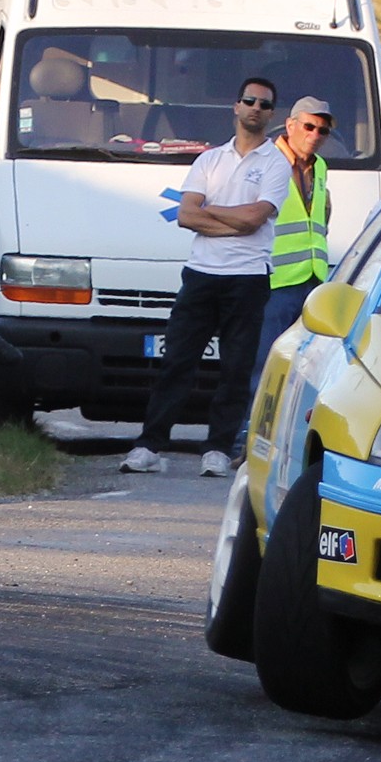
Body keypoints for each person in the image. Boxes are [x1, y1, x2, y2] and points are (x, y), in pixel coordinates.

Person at [121, 77, 291, 477]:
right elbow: (186, 214)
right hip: (200, 275)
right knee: (177, 361)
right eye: (248, 100)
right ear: (236, 107)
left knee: (234, 368)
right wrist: (233, 219)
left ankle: (216, 449)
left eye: (264, 105)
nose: (255, 108)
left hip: (247, 277)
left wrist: (212, 214)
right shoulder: (208, 160)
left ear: (271, 115)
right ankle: (149, 445)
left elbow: (255, 218)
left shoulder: (275, 164)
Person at [235, 97, 335, 459]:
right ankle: (244, 440)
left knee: (301, 369)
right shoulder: (266, 161)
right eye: (309, 126)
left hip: (311, 281)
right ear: (290, 125)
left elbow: (321, 214)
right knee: (262, 364)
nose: (316, 135)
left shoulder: (319, 166)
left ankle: (278, 443)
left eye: (323, 130)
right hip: (275, 280)